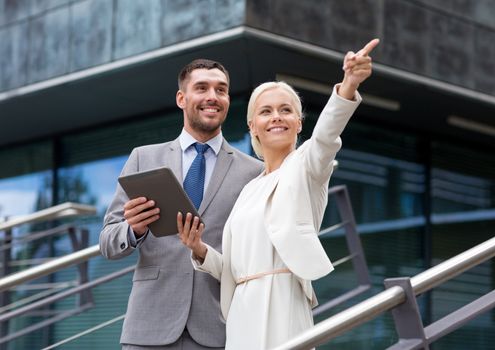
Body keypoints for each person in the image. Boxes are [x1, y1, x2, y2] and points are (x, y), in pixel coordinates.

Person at [177, 39, 379, 349]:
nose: (276, 117)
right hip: (242, 311)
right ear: (252, 127)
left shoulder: (307, 165)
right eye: (266, 111)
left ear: (299, 123)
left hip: (283, 303)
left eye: (286, 110)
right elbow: (233, 268)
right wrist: (199, 249)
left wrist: (348, 85)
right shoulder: (248, 189)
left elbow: (326, 136)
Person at [99, 59, 263, 349]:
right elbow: (108, 243)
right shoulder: (143, 159)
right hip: (148, 328)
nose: (213, 96)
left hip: (218, 330)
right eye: (202, 88)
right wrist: (133, 229)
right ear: (181, 98)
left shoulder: (253, 171)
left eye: (221, 90)